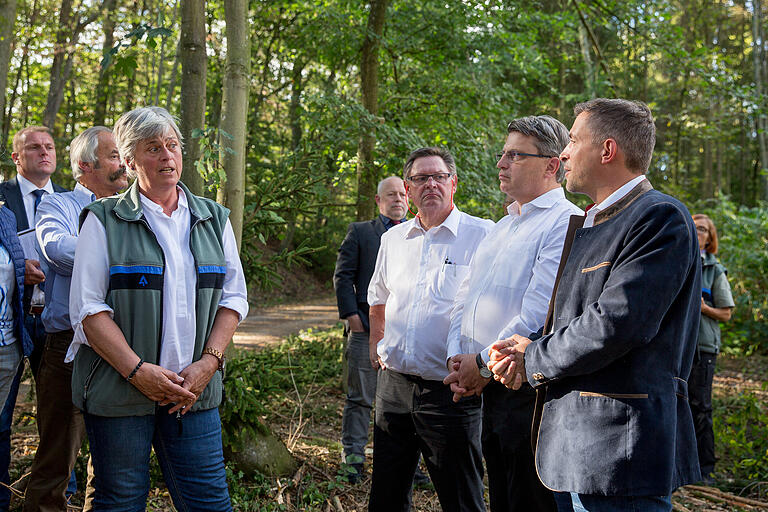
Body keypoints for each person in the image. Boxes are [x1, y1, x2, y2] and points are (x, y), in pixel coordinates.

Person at [488, 99, 701, 511]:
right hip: (575, 449)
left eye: (572, 140)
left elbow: (615, 324)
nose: (564, 153)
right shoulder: (590, 222)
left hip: (620, 452)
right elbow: (572, 320)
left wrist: (533, 355)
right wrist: (521, 347)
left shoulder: (659, 218)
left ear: (607, 151)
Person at [68, 106, 248, 511]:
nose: (167, 156)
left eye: (172, 146)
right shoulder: (103, 219)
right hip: (119, 392)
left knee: (210, 503)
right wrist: (137, 371)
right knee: (119, 502)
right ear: (130, 161)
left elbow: (233, 297)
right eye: (153, 148)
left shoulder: (213, 218)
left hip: (192, 393)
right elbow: (88, 310)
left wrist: (209, 363)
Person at [443, 115, 581, 512]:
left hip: (530, 391)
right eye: (503, 154)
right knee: (501, 496)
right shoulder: (502, 225)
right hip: (489, 389)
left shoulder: (565, 221)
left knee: (530, 501)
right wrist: (461, 358)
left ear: (551, 165)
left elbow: (539, 312)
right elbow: (464, 298)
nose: (501, 163)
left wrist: (483, 365)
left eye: (515, 155)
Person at [367, 147, 493, 512]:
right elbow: (378, 298)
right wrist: (377, 343)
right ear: (408, 188)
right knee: (386, 497)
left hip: (450, 393)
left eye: (439, 176)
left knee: (462, 499)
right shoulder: (393, 240)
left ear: (454, 183)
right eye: (421, 178)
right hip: (394, 388)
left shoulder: (483, 235)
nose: (431, 184)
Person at [24, 127, 129, 512]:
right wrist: (122, 257)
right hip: (66, 347)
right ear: (86, 166)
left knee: (111, 462)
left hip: (121, 347)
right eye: (114, 156)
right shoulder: (58, 206)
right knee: (56, 458)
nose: (123, 164)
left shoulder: (132, 206)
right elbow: (57, 250)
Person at [0, 126, 65, 512]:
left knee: (58, 414)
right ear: (16, 157)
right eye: (34, 148)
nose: (44, 153)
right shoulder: (1, 199)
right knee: (2, 417)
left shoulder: (73, 200)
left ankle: (59, 493)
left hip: (54, 322)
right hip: (10, 322)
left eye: (49, 147)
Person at [333, 176, 406, 482]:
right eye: (391, 194)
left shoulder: (418, 233)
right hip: (364, 329)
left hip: (402, 333)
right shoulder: (361, 232)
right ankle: (353, 457)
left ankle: (407, 464)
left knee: (403, 401)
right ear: (379, 200)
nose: (398, 199)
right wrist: (351, 315)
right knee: (360, 397)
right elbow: (343, 275)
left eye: (403, 194)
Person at [690, 213, 734, 484]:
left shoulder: (715, 270)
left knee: (701, 406)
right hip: (678, 346)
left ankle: (705, 469)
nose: (697, 233)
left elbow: (727, 313)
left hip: (704, 347)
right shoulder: (678, 259)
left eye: (703, 230)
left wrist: (705, 308)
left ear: (709, 239)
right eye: (693, 228)